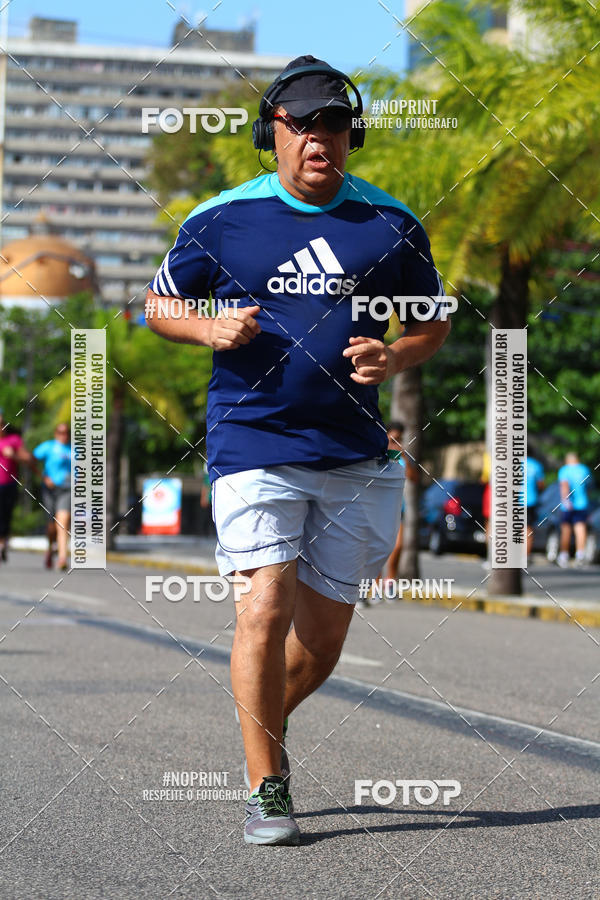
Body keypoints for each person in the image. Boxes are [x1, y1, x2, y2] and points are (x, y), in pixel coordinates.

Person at [146, 55, 451, 845]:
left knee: (319, 646)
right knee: (263, 606)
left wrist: (399, 356)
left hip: (352, 452)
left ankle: (256, 728)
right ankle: (268, 786)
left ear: (354, 135)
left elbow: (432, 320)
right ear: (271, 134)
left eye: (336, 124)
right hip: (253, 441)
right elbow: (158, 304)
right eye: (304, 123)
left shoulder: (389, 223)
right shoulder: (220, 220)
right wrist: (204, 325)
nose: (321, 138)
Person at [381, 421, 418, 590]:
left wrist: (403, 456)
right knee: (377, 549)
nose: (397, 443)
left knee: (398, 546)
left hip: (397, 508)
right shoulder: (379, 455)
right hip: (378, 507)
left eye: (400, 439)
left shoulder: (400, 458)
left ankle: (390, 580)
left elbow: (413, 477)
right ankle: (373, 586)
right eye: (394, 439)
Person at [33, 423, 72, 570]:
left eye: (67, 432)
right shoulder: (48, 447)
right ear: (56, 434)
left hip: (67, 489)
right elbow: (32, 460)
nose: (64, 435)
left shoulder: (75, 450)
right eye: (61, 432)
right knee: (51, 525)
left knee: (63, 521)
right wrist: (43, 477)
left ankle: (62, 558)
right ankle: (50, 548)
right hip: (50, 490)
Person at [0, 412, 37, 563]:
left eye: (1, 424)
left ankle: (2, 544)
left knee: (5, 514)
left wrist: (14, 455)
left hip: (8, 484)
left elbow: (29, 458)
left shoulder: (13, 440)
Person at [557, 451, 592, 568]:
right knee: (580, 529)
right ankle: (580, 554)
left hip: (568, 505)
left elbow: (564, 486)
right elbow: (589, 487)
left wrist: (566, 500)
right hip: (582, 504)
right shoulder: (584, 469)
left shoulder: (565, 470)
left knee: (566, 530)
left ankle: (564, 555)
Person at [525, 451, 545, 563]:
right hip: (530, 500)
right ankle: (526, 555)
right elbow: (541, 484)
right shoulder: (536, 465)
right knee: (528, 528)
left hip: (514, 500)